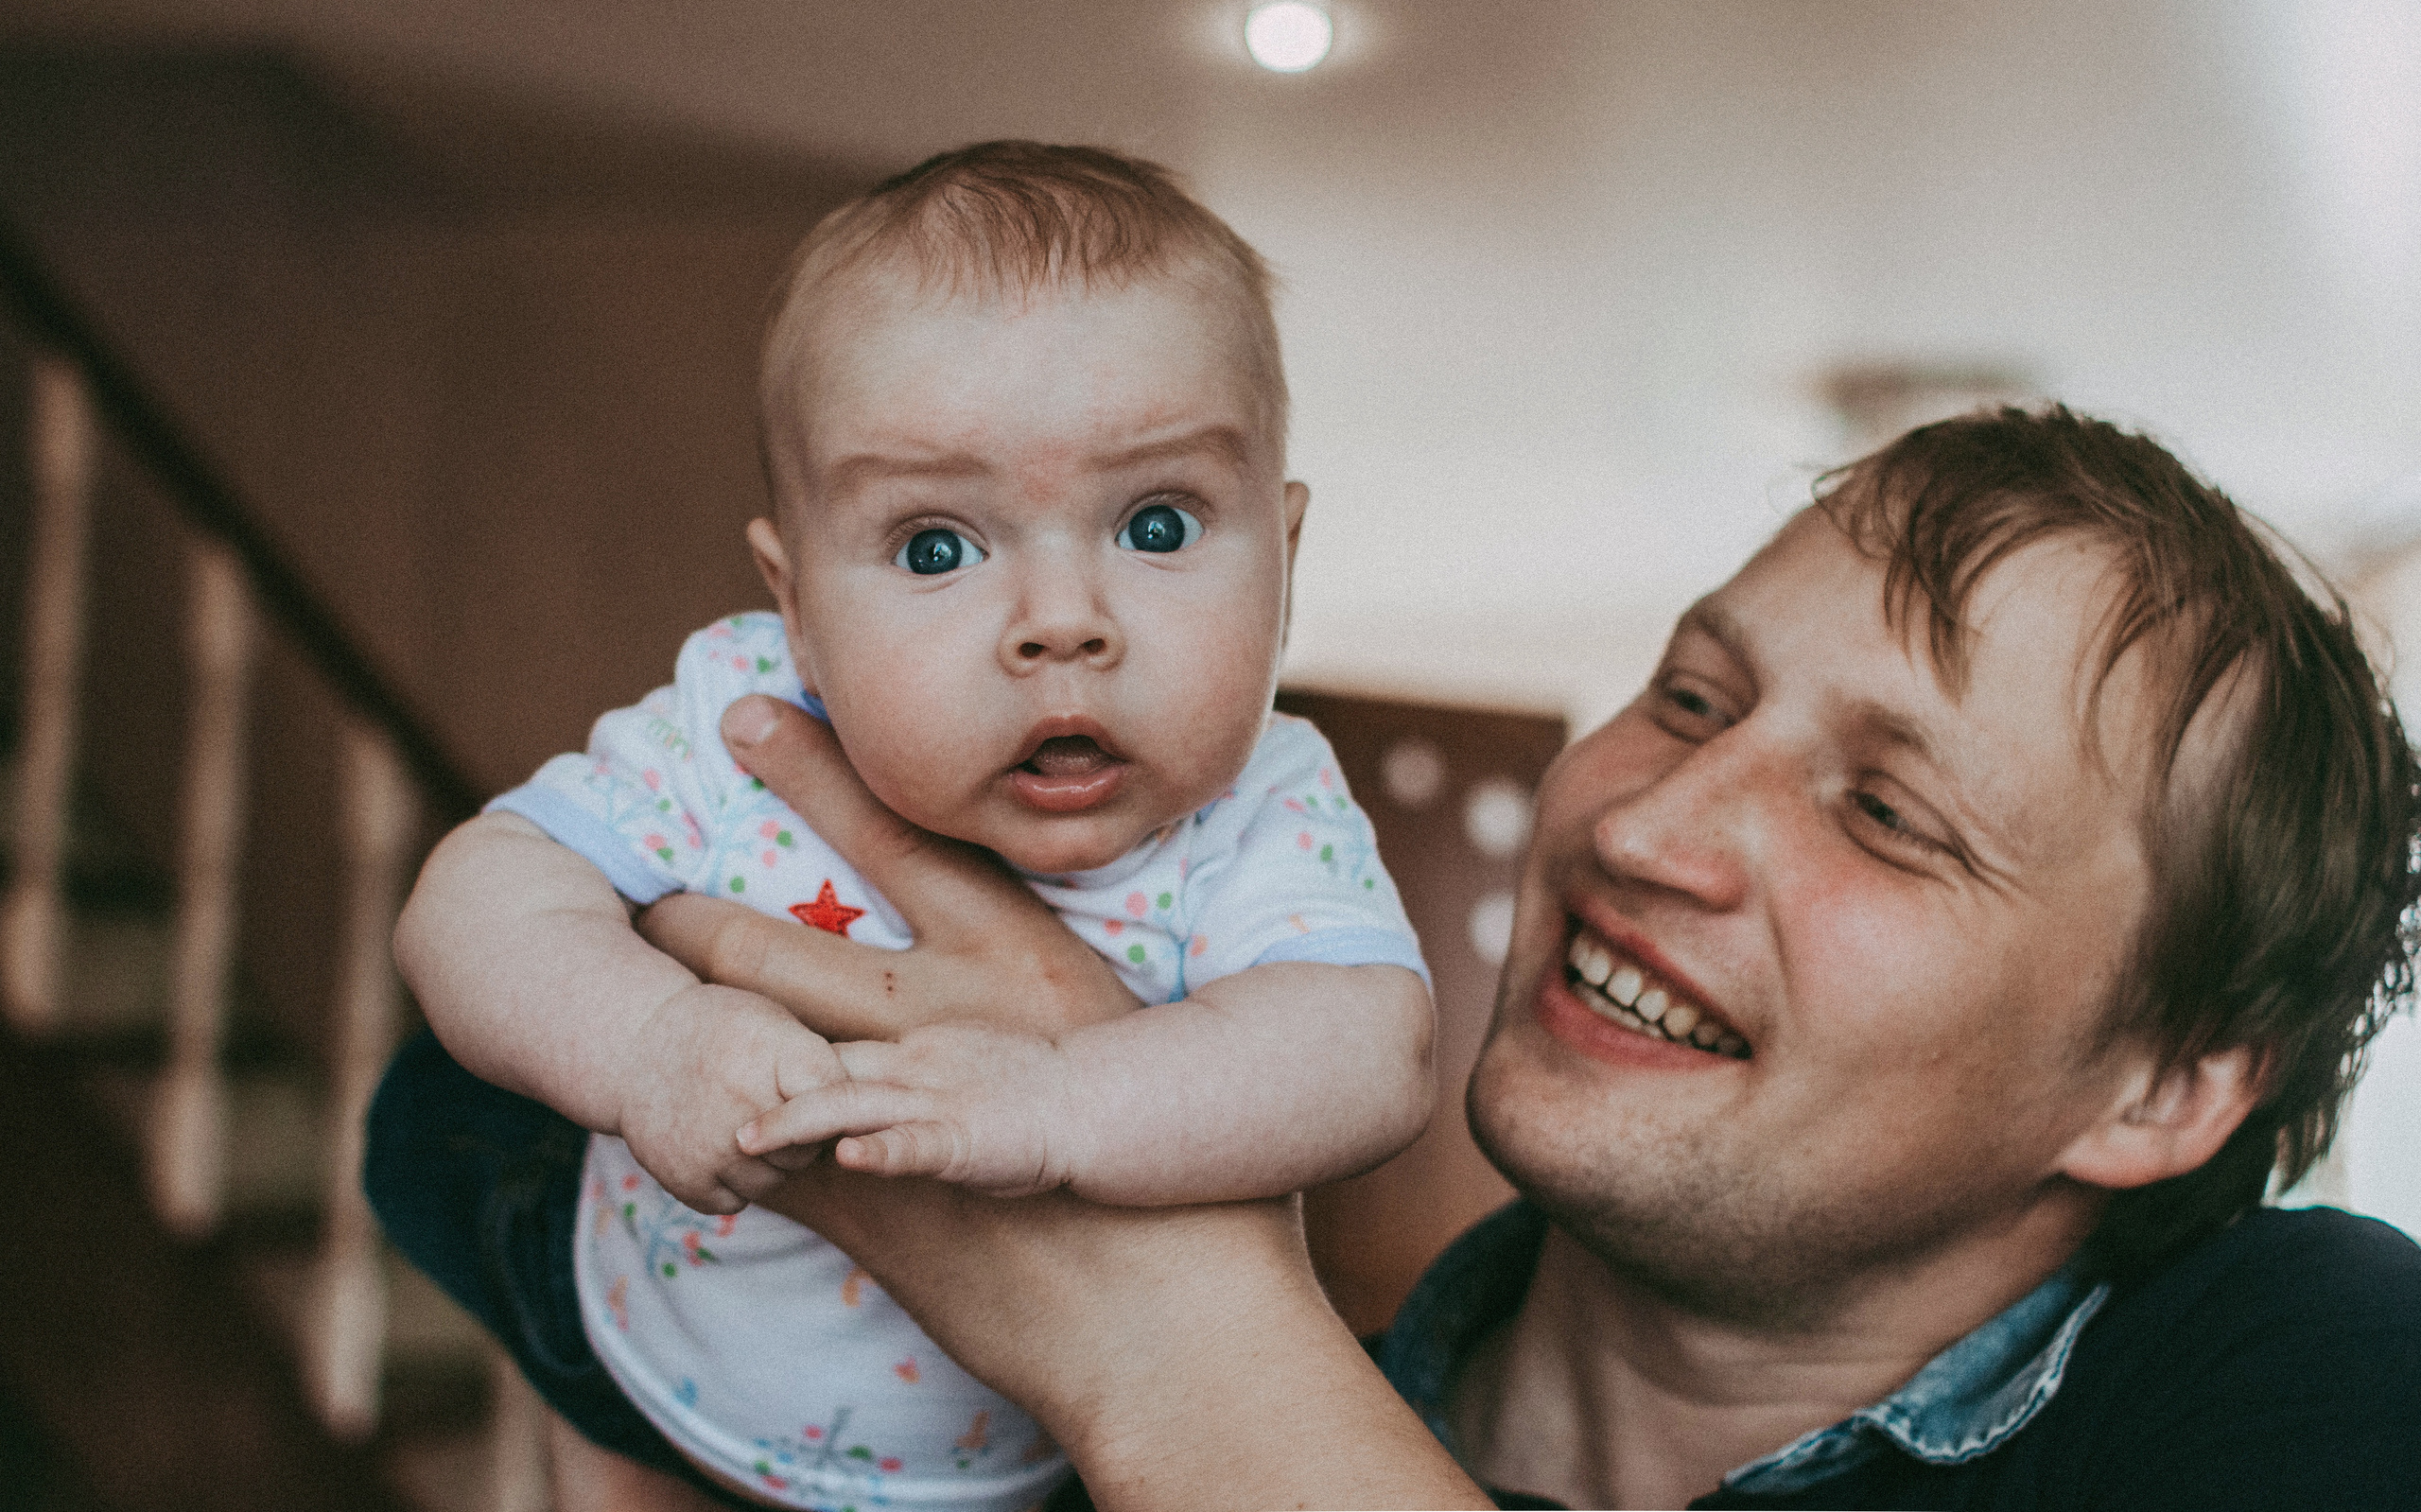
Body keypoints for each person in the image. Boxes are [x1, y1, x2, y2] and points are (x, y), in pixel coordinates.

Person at [636, 406, 2421, 1509]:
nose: (1643, 830)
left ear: (2162, 1084)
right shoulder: (998, 1452)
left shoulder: (2319, 1382)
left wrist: (1171, 1339)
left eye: (1885, 813)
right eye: (1689, 698)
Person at [375, 142, 1435, 1512]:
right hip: (630, 1330)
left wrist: (1062, 1098)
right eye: (937, 547)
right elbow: (471, 896)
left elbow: (1368, 1052)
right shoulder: (741, 714)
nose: (1064, 619)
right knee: (436, 1126)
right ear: (799, 603)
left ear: (1285, 562)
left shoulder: (1268, 806)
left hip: (1005, 1474)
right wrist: (647, 1044)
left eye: (1158, 523)